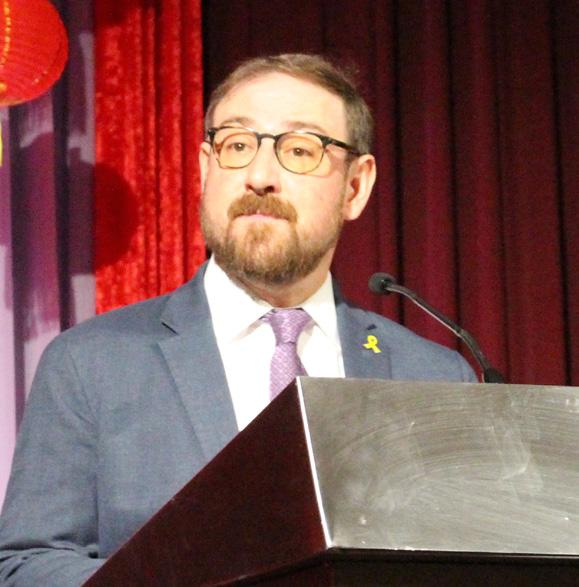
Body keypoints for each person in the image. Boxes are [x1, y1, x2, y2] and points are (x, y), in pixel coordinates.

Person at [0, 54, 475, 586]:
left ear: (356, 187)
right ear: (206, 169)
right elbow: (28, 565)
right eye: (238, 145)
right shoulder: (92, 364)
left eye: (300, 150)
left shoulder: (435, 380)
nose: (259, 176)